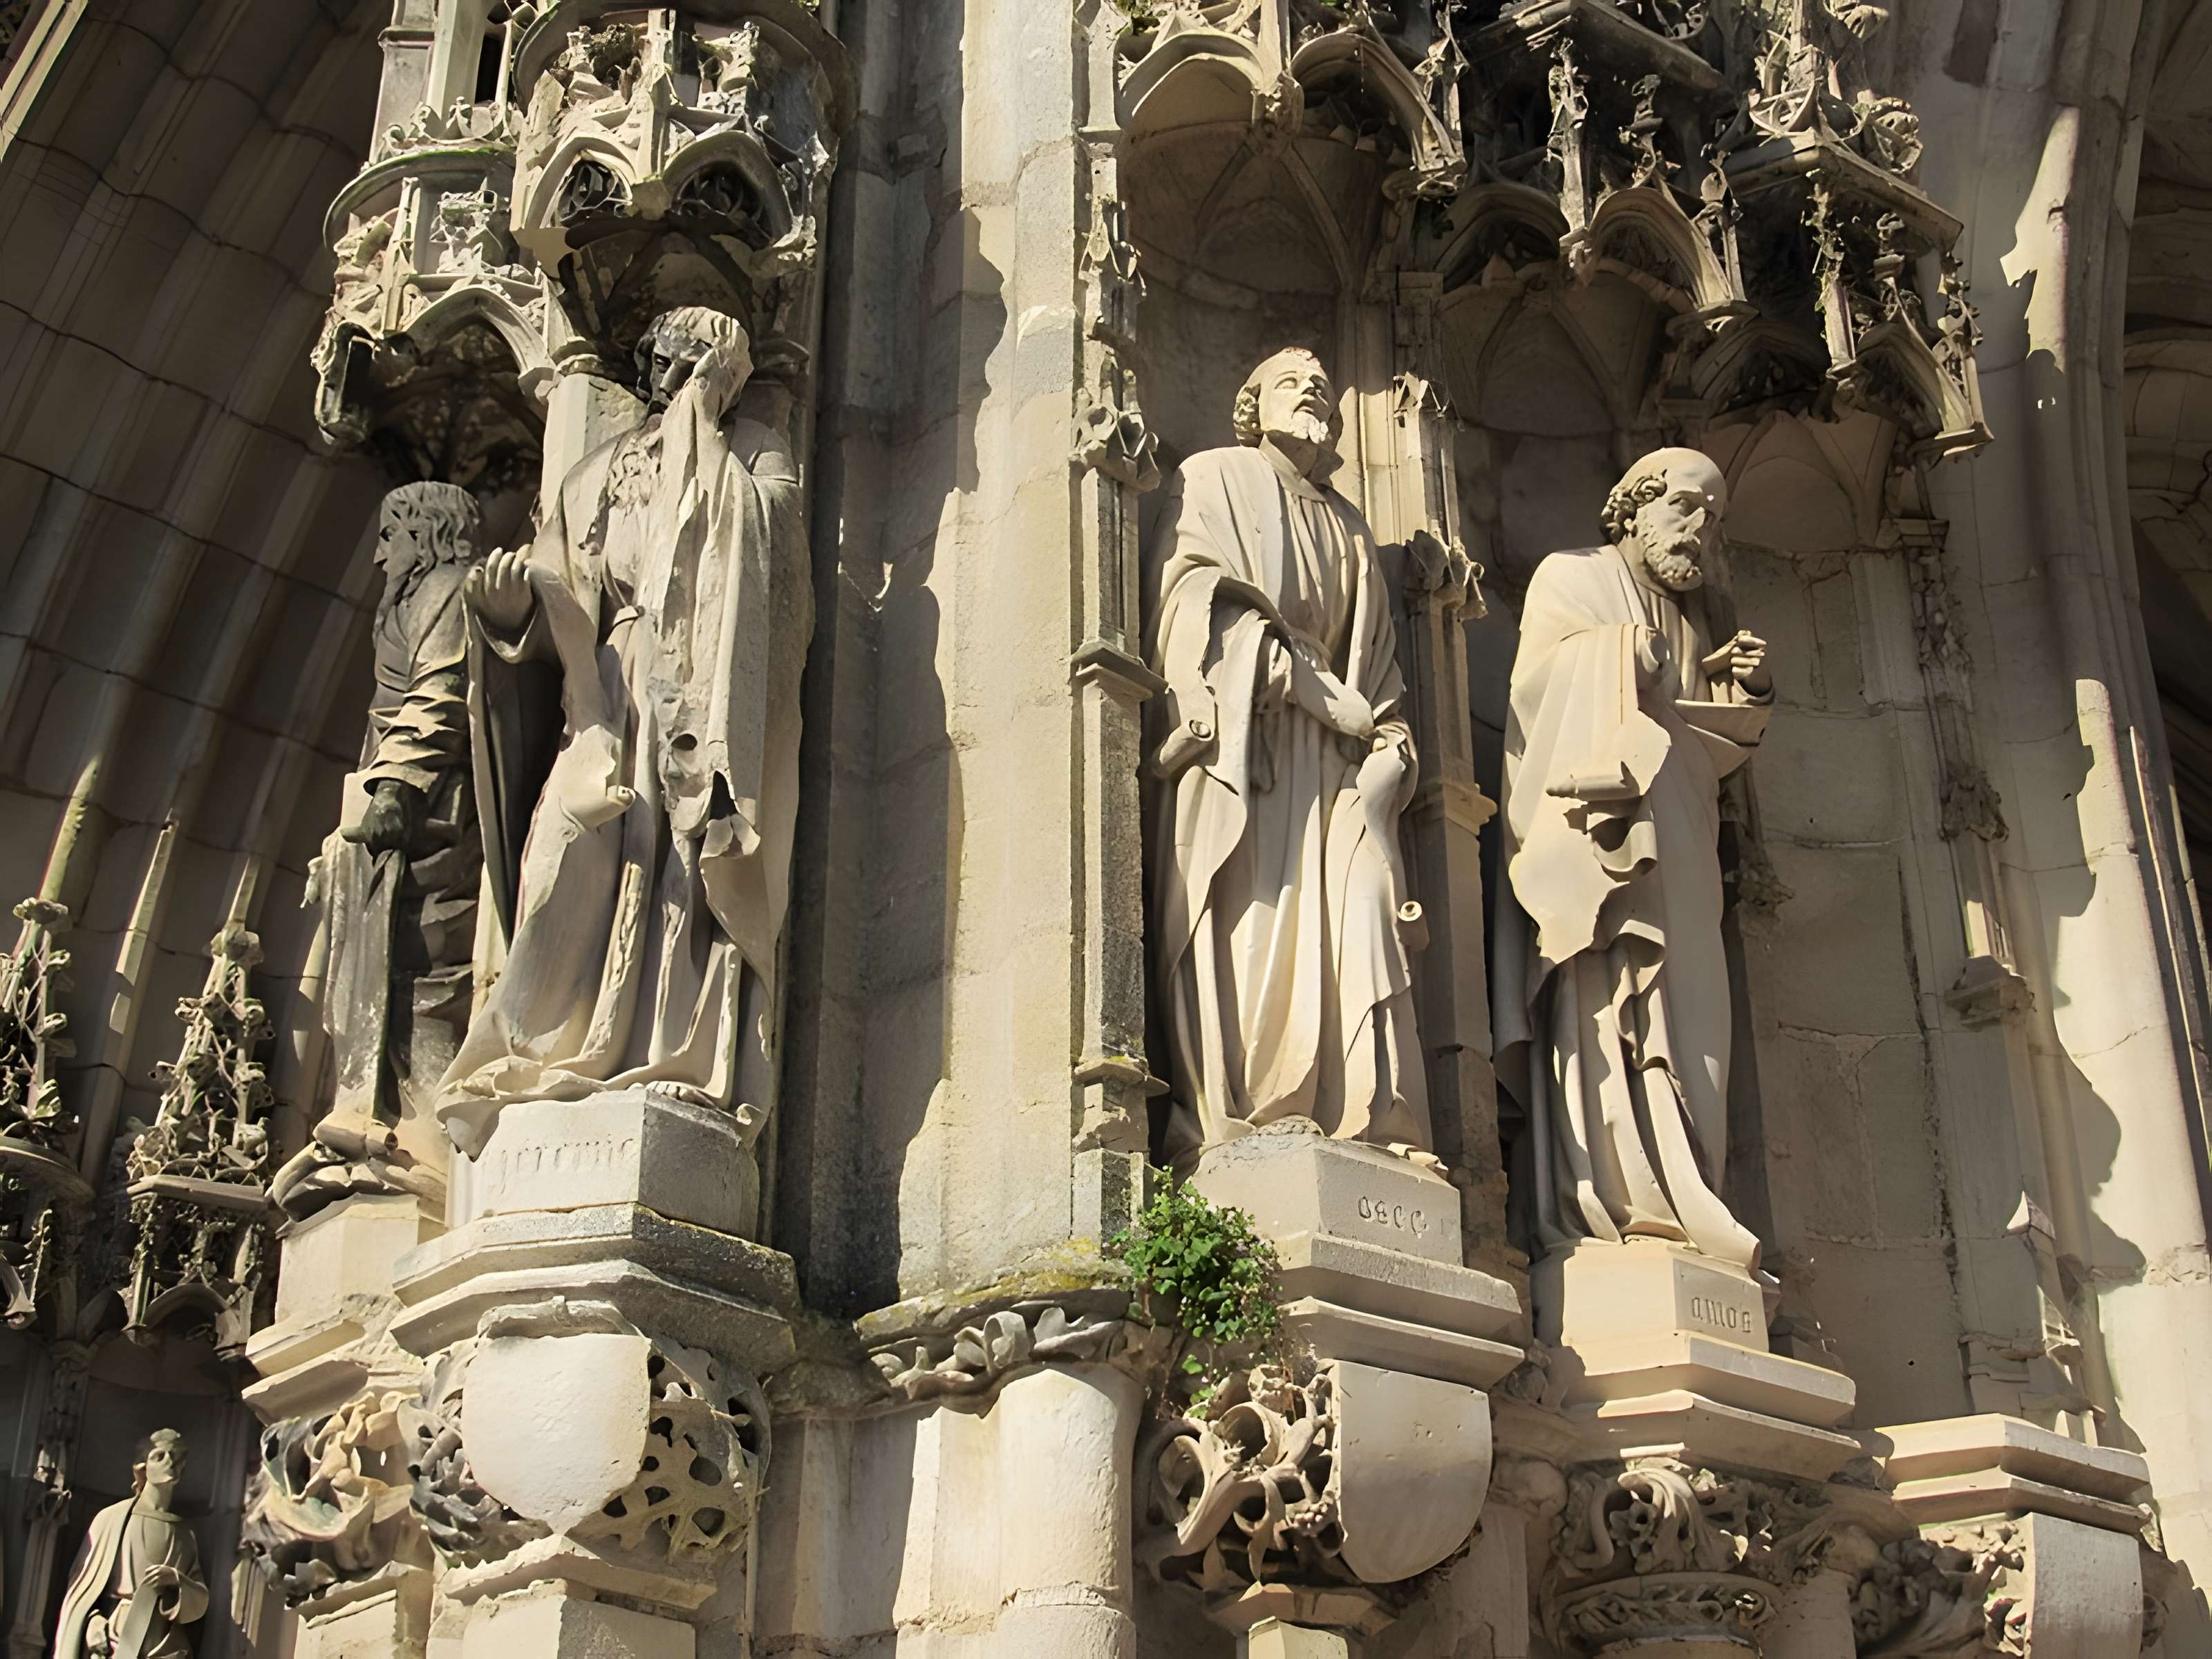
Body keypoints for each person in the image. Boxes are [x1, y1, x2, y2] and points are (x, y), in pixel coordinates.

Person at [435, 306, 808, 1161]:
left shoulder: (755, 450)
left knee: (685, 864)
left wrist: (703, 439)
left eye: (706, 365)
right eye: (674, 360)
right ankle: (556, 1044)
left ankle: (669, 1053)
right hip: (609, 687)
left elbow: (773, 569)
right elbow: (563, 589)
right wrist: (507, 617)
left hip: (711, 693)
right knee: (568, 854)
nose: (683, 376)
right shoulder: (595, 471)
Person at [1146, 347, 1432, 1163]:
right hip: (1248, 743)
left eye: (1320, 383)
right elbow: (1188, 603)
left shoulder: (1350, 528)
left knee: (1362, 912)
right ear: (1251, 402)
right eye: (1288, 381)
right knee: (1256, 925)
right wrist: (1298, 683)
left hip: (1342, 767)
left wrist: (1387, 754)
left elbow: (1378, 676)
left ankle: (1366, 1120)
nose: (1310, 388)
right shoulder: (1212, 477)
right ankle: (1255, 1114)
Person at [1493, 447, 1774, 1269]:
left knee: (1694, 1031)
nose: (1698, 530)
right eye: (1683, 508)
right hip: (1605, 852)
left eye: (1712, 519)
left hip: (1682, 851)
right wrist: (1627, 656)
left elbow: (1695, 742)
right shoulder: (1570, 580)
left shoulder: (1698, 618)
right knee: (1611, 1003)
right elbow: (1532, 703)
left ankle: (1694, 1204)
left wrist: (1745, 695)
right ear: (1634, 507)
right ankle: (1619, 1208)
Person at [55, 1429, 207, 1659]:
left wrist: (176, 1580)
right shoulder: (112, 1518)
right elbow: (81, 1589)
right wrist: (93, 1621)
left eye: (176, 1458)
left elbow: (199, 1599)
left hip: (162, 1644)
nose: (170, 1464)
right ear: (142, 1466)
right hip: (115, 1634)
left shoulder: (185, 1533)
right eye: (160, 1456)